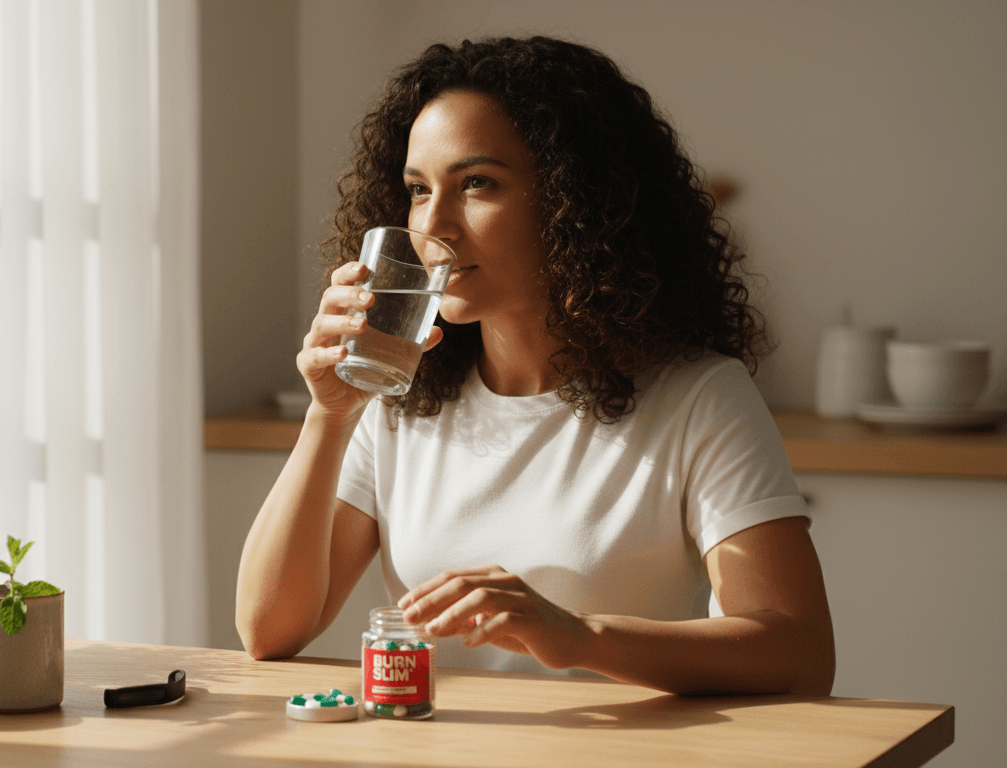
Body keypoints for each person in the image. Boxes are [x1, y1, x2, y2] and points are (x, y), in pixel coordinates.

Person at [235, 36, 835, 696]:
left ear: (575, 202)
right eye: (416, 189)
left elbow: (799, 650)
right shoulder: (400, 400)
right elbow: (268, 631)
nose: (435, 225)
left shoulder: (699, 396)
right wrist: (329, 413)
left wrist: (577, 635)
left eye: (477, 185)